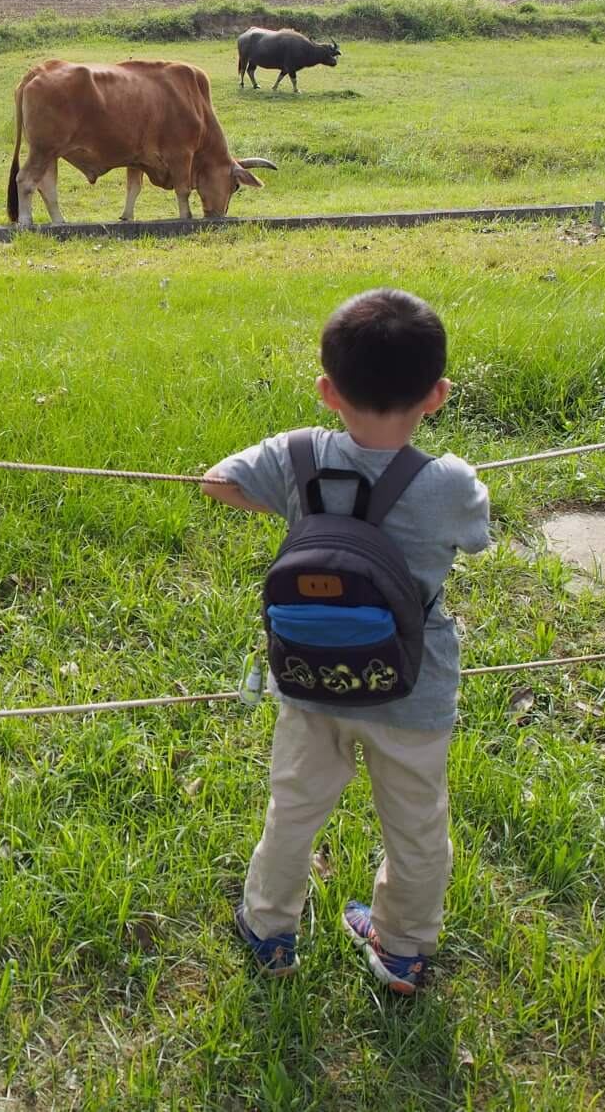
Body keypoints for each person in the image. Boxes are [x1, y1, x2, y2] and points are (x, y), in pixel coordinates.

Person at [202, 288, 490, 994]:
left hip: (311, 679)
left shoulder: (295, 456)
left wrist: (295, 507)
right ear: (438, 395)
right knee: (417, 825)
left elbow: (216, 482)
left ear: (327, 390)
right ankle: (402, 948)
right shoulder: (450, 483)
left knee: (294, 809)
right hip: (413, 686)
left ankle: (270, 927)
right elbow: (476, 536)